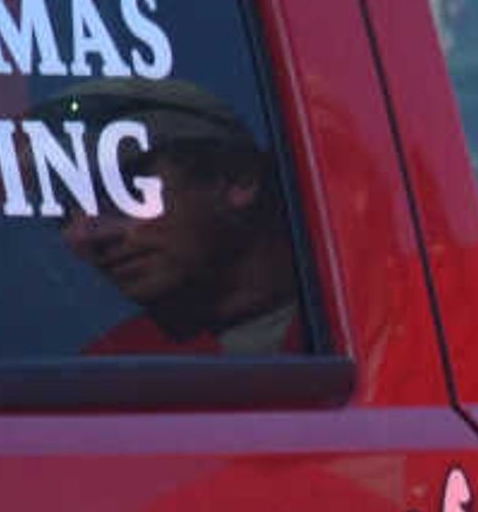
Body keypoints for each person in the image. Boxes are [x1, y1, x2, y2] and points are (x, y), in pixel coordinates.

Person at [43, 74, 307, 356]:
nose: (84, 234)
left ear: (237, 177)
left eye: (121, 190)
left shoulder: (354, 322)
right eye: (64, 210)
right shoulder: (109, 370)